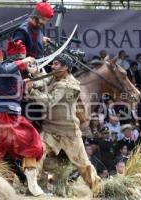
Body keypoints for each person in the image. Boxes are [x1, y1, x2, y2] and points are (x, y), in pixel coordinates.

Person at [27, 53, 101, 195]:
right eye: (53, 63)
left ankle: (98, 190)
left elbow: (49, 101)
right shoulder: (55, 76)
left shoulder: (69, 85)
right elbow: (42, 82)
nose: (52, 66)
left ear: (65, 67)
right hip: (49, 128)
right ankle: (32, 188)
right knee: (36, 153)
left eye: (56, 64)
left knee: (83, 165)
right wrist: (31, 82)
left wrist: (31, 90)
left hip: (69, 132)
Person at [0, 47, 44, 196]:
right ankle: (32, 185)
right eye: (21, 57)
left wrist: (26, 86)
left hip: (3, 116)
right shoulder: (4, 66)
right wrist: (25, 60)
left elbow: (15, 94)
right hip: (6, 117)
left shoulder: (14, 74)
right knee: (32, 142)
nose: (23, 59)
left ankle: (3, 189)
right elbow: (8, 67)